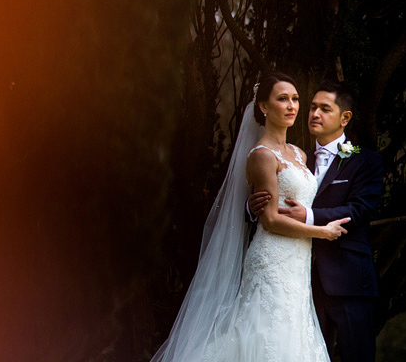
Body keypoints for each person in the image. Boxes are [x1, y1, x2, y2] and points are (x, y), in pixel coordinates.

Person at [150, 72, 349, 362]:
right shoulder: (262, 155)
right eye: (283, 99)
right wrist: (323, 231)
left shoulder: (298, 155)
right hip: (272, 257)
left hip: (297, 262)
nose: (292, 105)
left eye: (295, 99)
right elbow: (269, 220)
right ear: (264, 107)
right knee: (266, 335)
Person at [248, 80, 383, 362]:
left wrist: (310, 216)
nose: (314, 114)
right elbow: (276, 198)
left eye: (325, 108)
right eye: (312, 107)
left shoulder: (364, 159)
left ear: (345, 118)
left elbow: (359, 210)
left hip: (348, 282)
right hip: (300, 281)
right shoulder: (297, 158)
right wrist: (252, 208)